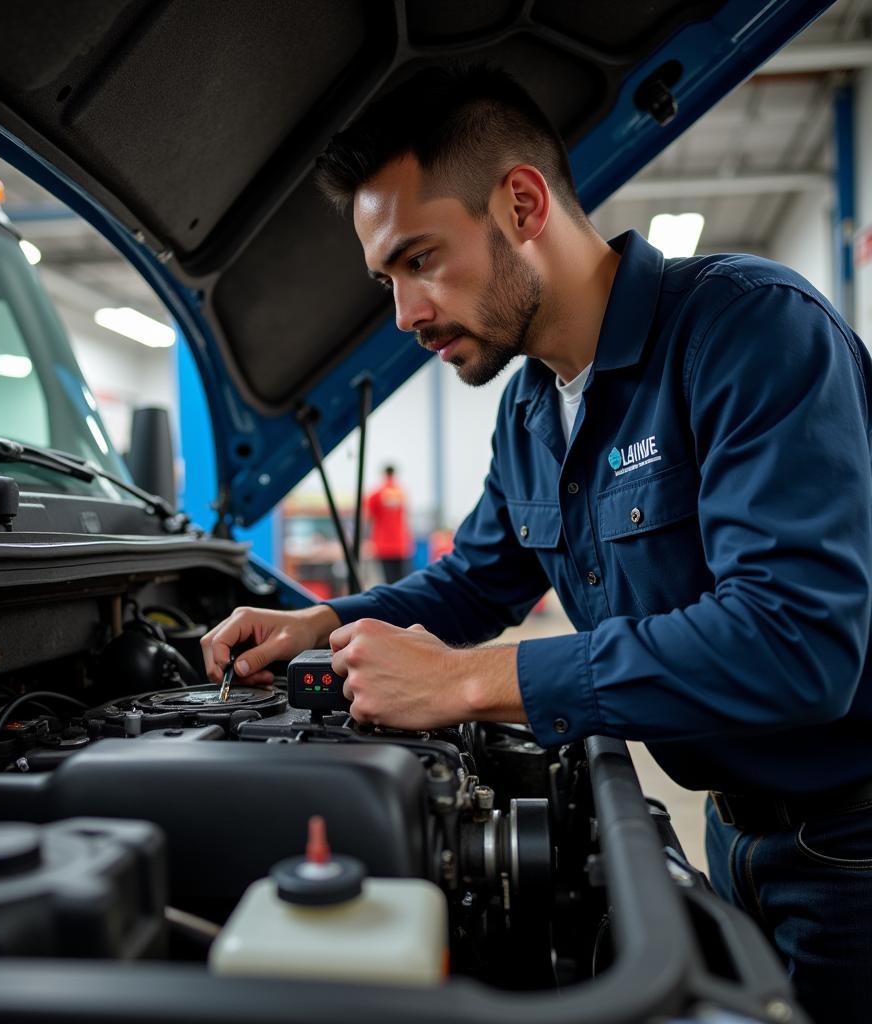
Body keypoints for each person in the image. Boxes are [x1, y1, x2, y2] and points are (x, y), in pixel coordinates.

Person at [201, 64, 872, 1022]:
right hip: (732, 832)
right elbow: (474, 584)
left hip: (851, 847)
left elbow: (796, 645)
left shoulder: (748, 331)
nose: (404, 315)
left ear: (521, 203)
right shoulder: (528, 410)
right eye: (387, 278)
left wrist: (469, 682)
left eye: (421, 258)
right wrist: (318, 623)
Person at [365, 464, 414, 584]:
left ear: (384, 474)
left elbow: (368, 517)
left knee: (389, 581)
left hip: (383, 545)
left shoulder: (376, 494)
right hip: (401, 544)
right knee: (402, 581)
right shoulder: (401, 493)